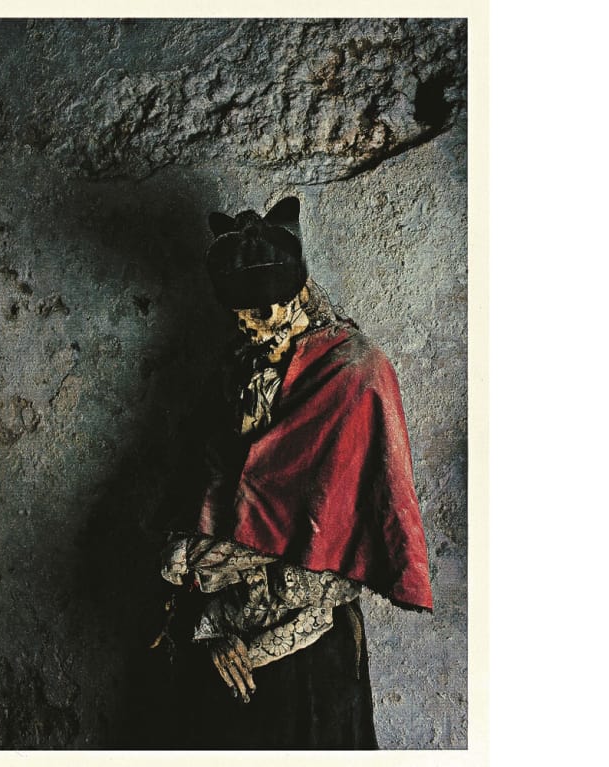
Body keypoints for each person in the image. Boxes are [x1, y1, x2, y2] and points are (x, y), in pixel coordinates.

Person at [152, 196, 433, 748]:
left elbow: (351, 535)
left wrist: (235, 616)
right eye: (238, 319)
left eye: (263, 315)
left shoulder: (356, 374)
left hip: (309, 645)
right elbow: (202, 490)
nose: (253, 332)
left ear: (298, 295)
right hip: (222, 639)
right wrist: (204, 621)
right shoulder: (236, 366)